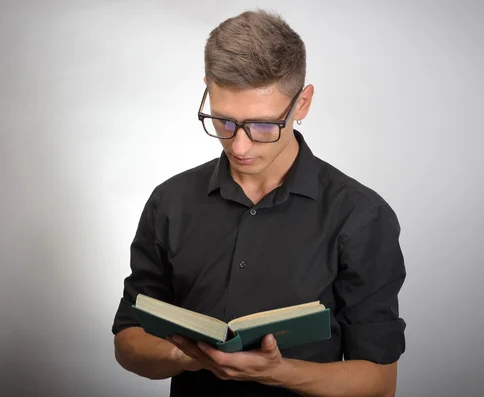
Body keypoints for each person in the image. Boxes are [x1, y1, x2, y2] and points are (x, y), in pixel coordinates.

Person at [112, 9, 406, 397]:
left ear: (302, 105)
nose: (239, 145)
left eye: (264, 125)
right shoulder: (170, 201)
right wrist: (190, 355)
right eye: (223, 121)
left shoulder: (362, 216)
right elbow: (128, 342)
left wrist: (277, 372)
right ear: (207, 89)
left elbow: (380, 383)